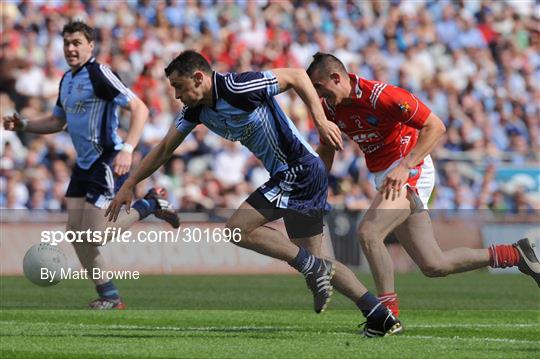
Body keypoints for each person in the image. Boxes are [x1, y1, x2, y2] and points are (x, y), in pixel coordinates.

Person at [106, 50, 403, 337]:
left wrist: (321, 120)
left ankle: (313, 268)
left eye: (179, 87)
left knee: (237, 230)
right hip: (298, 175)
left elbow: (297, 76)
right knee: (321, 262)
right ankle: (379, 315)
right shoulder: (196, 110)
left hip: (298, 169)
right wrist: (130, 183)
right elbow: (164, 148)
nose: (177, 95)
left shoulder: (239, 86)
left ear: (199, 77)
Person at [307, 52, 540, 317]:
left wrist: (405, 167)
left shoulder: (382, 95)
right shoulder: (330, 109)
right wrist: (313, 185)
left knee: (369, 233)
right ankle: (514, 254)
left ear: (336, 78)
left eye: (319, 87)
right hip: (386, 176)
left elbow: (435, 126)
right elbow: (327, 149)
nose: (316, 95)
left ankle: (386, 315)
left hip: (410, 168)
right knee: (433, 264)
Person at [2, 21, 180, 309]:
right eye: (67, 43)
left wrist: (128, 148)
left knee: (95, 234)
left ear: (90, 46)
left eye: (76, 43)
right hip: (83, 165)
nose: (71, 48)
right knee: (76, 232)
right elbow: (57, 121)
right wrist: (23, 124)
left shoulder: (99, 73)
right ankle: (109, 295)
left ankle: (150, 205)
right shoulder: (67, 80)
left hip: (105, 159)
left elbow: (139, 108)